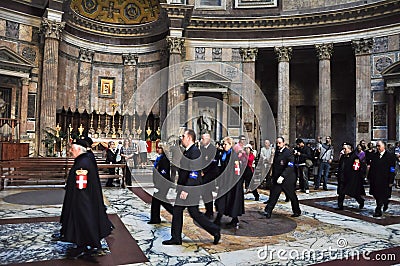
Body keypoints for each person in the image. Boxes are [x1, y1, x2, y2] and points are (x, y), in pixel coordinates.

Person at [162, 129, 221, 245]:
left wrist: (185, 189)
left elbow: (194, 173)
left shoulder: (194, 152)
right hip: (186, 187)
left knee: (193, 213)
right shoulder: (188, 151)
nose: (181, 138)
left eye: (183, 136)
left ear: (189, 138)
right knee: (181, 211)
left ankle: (214, 230)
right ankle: (176, 238)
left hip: (190, 189)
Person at [59, 138, 113, 259]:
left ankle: (90, 244)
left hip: (82, 200)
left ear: (79, 149)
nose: (70, 151)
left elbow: (81, 186)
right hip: (85, 199)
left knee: (86, 220)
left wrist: (79, 203)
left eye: (72, 149)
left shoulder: (82, 164)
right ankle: (82, 242)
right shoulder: (84, 160)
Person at [263, 137, 301, 219]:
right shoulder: (276, 152)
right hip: (277, 178)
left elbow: (290, 166)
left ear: (283, 143)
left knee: (292, 196)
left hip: (288, 178)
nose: (278, 145)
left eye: (279, 143)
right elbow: (275, 165)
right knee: (274, 195)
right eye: (277, 143)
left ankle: (297, 211)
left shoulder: (288, 153)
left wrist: (283, 176)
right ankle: (268, 211)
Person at [214, 136, 245, 228]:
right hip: (225, 182)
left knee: (230, 201)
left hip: (232, 183)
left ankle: (220, 219)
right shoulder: (224, 154)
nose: (224, 146)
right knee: (222, 200)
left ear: (230, 145)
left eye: (225, 144)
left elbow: (236, 171)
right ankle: (231, 220)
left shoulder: (233, 156)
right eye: (223, 144)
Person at [368, 141, 396, 217]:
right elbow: (372, 167)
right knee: (376, 194)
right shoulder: (374, 156)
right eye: (376, 146)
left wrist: (391, 180)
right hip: (375, 179)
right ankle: (384, 202)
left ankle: (378, 209)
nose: (377, 148)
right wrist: (369, 177)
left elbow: (392, 169)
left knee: (382, 194)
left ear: (384, 146)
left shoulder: (390, 156)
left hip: (385, 179)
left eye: (379, 146)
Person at [148, 143, 174, 224]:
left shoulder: (164, 159)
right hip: (160, 183)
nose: (157, 149)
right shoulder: (160, 158)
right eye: (157, 148)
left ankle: (155, 219)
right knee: (161, 201)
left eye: (159, 148)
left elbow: (163, 174)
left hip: (163, 184)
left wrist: (158, 186)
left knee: (159, 201)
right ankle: (155, 218)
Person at [336, 142, 366, 211]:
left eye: (345, 149)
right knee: (341, 192)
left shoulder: (355, 158)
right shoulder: (343, 157)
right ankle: (340, 206)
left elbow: (356, 169)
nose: (344, 150)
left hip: (350, 178)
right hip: (342, 178)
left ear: (349, 149)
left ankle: (361, 201)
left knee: (353, 193)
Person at [200, 133, 219, 218]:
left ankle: (210, 212)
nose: (201, 140)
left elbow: (213, 162)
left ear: (208, 139)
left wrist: (204, 171)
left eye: (203, 139)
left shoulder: (213, 149)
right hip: (203, 174)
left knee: (208, 193)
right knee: (204, 193)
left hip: (210, 175)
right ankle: (208, 210)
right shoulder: (201, 148)